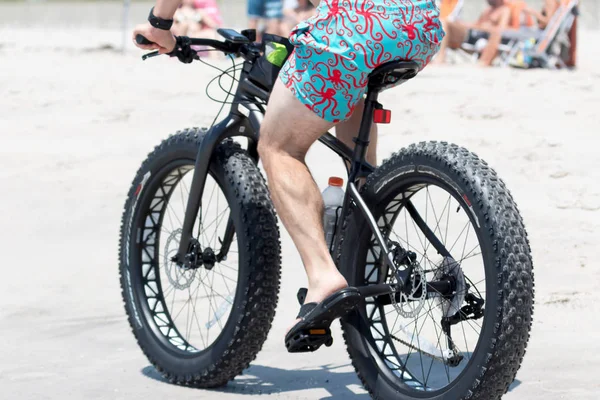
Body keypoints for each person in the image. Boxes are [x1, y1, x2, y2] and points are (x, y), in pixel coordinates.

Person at [133, 0, 444, 350]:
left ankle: (323, 276)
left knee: (278, 147)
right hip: (419, 25)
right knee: (348, 88)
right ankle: (364, 242)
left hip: (354, 26)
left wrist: (159, 23)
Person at [435, 0, 514, 66]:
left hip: (482, 38)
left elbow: (501, 29)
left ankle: (441, 57)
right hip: (472, 33)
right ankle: (435, 55)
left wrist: (484, 27)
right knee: (443, 23)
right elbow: (478, 24)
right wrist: (465, 24)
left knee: (445, 24)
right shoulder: (488, 10)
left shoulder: (504, 10)